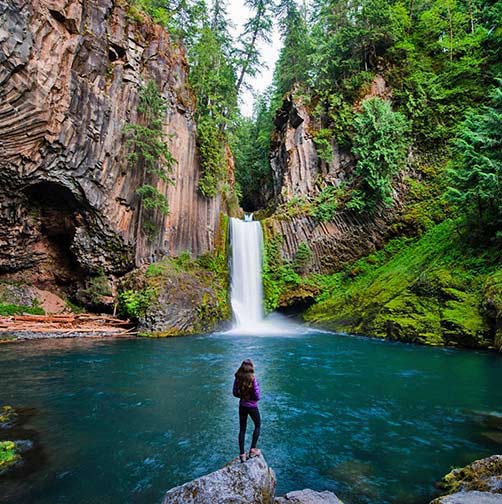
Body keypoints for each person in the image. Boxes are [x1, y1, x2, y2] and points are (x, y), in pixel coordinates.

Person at [233, 359, 261, 463]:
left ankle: (242, 454)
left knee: (242, 429)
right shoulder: (253, 379)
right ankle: (253, 450)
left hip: (242, 405)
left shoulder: (238, 378)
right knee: (257, 425)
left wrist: (243, 397)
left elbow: (235, 393)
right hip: (252, 406)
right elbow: (257, 396)